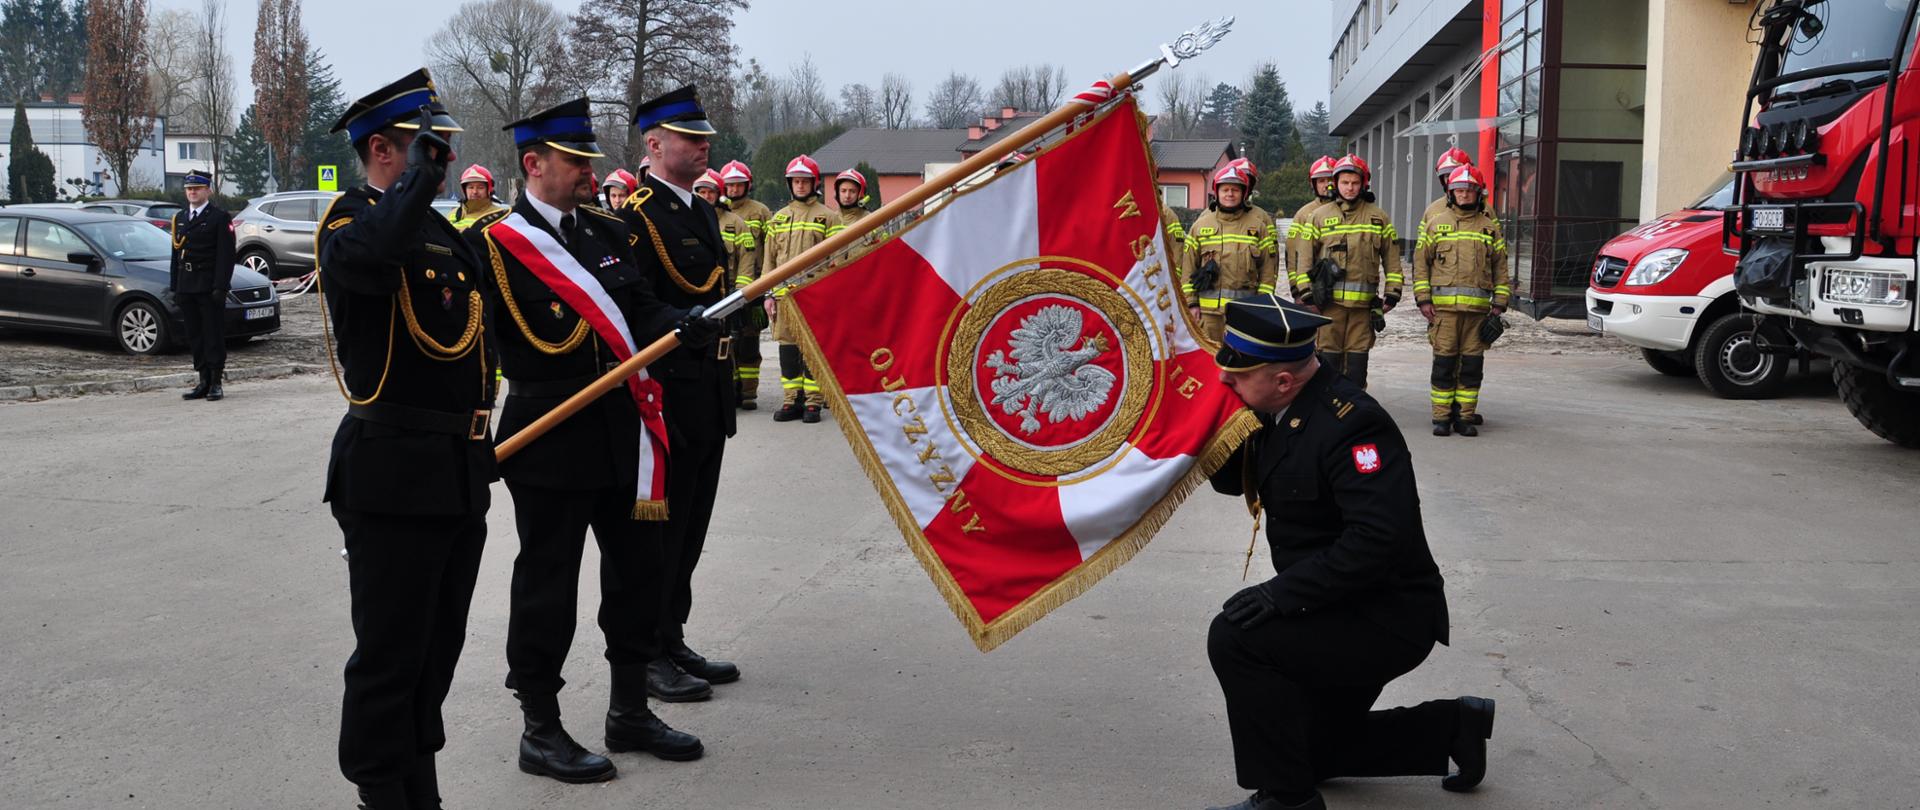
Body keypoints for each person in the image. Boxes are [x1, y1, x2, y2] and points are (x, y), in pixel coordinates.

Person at [472, 96, 716, 784]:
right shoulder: (494, 244)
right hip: (550, 440)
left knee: (639, 570)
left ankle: (629, 709)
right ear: (534, 164)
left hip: (625, 431)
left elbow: (641, 310)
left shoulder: (606, 232)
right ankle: (540, 727)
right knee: (547, 583)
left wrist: (683, 324)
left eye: (588, 158)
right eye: (575, 160)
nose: (590, 170)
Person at [1202, 295, 1495, 810]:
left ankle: (1288, 800)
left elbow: (1376, 540)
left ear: (1284, 381)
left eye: (1238, 377)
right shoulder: (1275, 406)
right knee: (1308, 750)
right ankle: (1452, 728)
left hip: (1384, 614)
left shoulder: (1352, 425)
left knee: (1235, 637)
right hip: (1332, 602)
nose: (1226, 383)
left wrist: (1279, 595)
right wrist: (1211, 427)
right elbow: (1235, 481)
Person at [316, 67, 492, 810]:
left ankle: (421, 785)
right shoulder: (349, 224)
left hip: (455, 469)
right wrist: (415, 184)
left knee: (435, 653)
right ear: (387, 150)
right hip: (390, 472)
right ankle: (380, 790)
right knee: (389, 655)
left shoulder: (439, 232)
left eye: (443, 152)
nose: (443, 162)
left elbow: (481, 338)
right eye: (432, 149)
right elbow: (372, 260)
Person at [613, 86, 746, 704]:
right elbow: (634, 304)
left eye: (705, 138)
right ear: (654, 143)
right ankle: (643, 655)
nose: (704, 146)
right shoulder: (636, 217)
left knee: (691, 525)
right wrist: (679, 320)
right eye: (691, 138)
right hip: (666, 395)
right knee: (658, 535)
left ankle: (672, 634)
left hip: (709, 389)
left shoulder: (698, 209)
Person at [1413, 165, 1509, 437]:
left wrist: (1499, 303)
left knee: (1471, 368)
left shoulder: (1489, 228)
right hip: (1444, 314)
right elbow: (1421, 265)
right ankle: (1441, 418)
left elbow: (1501, 268)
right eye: (1459, 190)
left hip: (1478, 315)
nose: (1464, 195)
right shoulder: (1436, 223)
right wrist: (1423, 300)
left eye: (1469, 190)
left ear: (1478, 194)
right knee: (1443, 365)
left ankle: (1464, 418)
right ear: (1450, 193)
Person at [1298, 155, 1400, 389]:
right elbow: (1304, 260)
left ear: (1364, 184)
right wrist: (1307, 295)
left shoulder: (1378, 218)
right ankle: (1328, 415)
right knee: (1328, 364)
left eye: (1355, 183)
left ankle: (1354, 416)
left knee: (1357, 366)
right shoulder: (1319, 216)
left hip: (1363, 310)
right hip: (1328, 306)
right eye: (1345, 183)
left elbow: (1392, 259)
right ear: (1336, 184)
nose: (1350, 188)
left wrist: (1393, 293)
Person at [762, 154, 836, 424]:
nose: (800, 186)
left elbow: (837, 260)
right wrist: (768, 294)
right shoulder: (778, 218)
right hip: (783, 297)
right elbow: (769, 260)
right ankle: (791, 399)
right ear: (789, 184)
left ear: (814, 183)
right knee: (788, 350)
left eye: (805, 181)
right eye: (796, 181)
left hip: (814, 295)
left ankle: (813, 402)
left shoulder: (828, 217)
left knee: (812, 349)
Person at [1417, 147, 1485, 427]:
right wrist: (1424, 298)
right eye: (1445, 176)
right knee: (1445, 358)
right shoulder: (1433, 213)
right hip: (1444, 303)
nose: (1451, 182)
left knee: (1469, 362)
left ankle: (1463, 411)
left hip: (1475, 304)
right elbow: (1424, 259)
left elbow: (1497, 258)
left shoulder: (1486, 214)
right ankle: (1445, 412)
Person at [1182, 159, 1279, 344]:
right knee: (1210, 362)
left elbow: (1268, 271)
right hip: (1208, 313)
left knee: (1241, 360)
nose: (1230, 194)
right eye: (1225, 190)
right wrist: (1192, 304)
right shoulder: (1200, 226)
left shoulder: (1258, 226)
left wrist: (1262, 305)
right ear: (1216, 192)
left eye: (1235, 190)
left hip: (1245, 312)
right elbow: (1187, 269)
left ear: (1244, 194)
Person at [168, 170, 235, 401]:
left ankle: (216, 382)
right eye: (189, 189)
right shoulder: (180, 218)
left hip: (208, 287)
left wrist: (221, 287)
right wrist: (175, 286)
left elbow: (226, 256)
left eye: (197, 188)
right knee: (195, 335)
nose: (192, 192)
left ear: (208, 190)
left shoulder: (219, 217)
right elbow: (175, 256)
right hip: (187, 286)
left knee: (212, 334)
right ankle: (203, 380)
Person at [717, 160, 771, 410]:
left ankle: (748, 392)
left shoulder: (760, 211)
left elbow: (770, 248)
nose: (734, 189)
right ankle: (731, 389)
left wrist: (763, 288)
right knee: (727, 340)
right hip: (724, 287)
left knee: (749, 339)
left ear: (747, 185)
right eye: (730, 185)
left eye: (738, 185)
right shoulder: (713, 211)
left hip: (753, 285)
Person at [1285, 156, 1338, 303]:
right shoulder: (1303, 214)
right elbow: (1293, 254)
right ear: (1313, 184)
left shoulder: (1348, 211)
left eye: (1331, 179)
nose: (1327, 185)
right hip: (1313, 287)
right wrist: (1297, 290)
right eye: (1321, 181)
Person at [695, 168, 757, 290]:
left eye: (711, 192)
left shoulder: (736, 223)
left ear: (720, 195)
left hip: (729, 289)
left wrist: (741, 291)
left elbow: (746, 260)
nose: (706, 196)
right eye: (702, 192)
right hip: (698, 289)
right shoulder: (688, 220)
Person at [447, 164, 506, 231]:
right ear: (464, 190)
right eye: (471, 187)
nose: (475, 191)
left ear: (489, 189)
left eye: (480, 188)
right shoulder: (453, 214)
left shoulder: (500, 215)